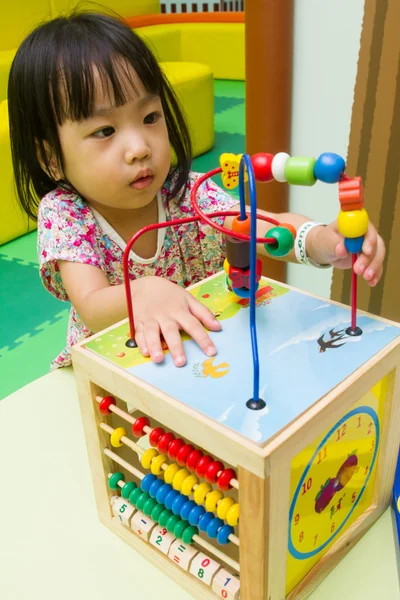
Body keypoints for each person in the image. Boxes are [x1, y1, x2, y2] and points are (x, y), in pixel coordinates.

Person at [8, 10, 385, 370]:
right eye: (105, 131)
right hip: (118, 367)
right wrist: (143, 290)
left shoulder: (185, 193)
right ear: (52, 159)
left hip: (201, 354)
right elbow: (91, 304)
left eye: (150, 117)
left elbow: (260, 228)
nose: (140, 147)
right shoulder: (66, 213)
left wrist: (323, 241)